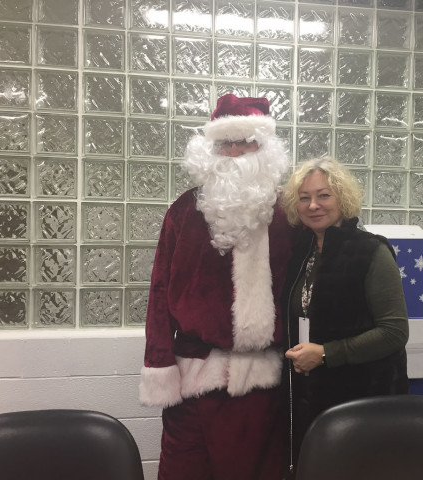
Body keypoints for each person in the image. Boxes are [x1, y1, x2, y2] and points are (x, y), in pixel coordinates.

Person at [139, 94, 295, 480]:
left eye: (246, 142)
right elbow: (159, 293)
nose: (235, 152)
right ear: (209, 150)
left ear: (265, 149)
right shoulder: (183, 212)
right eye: (225, 143)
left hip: (265, 388)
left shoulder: (289, 216)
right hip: (192, 383)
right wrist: (159, 364)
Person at [279, 157, 409, 473]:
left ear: (343, 198)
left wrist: (326, 353)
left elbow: (394, 332)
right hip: (309, 399)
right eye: (304, 197)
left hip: (363, 400)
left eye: (324, 195)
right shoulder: (300, 253)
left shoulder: (371, 251)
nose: (313, 205)